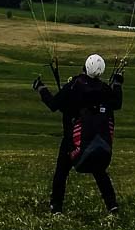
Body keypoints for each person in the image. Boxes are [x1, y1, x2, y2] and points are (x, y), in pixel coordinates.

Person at [33, 53, 124, 215]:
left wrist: (40, 87)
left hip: (73, 139)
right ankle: (112, 205)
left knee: (62, 171)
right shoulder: (104, 89)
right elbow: (117, 103)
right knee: (99, 170)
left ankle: (56, 206)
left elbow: (53, 104)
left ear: (85, 66)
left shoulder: (74, 85)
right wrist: (117, 83)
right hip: (96, 138)